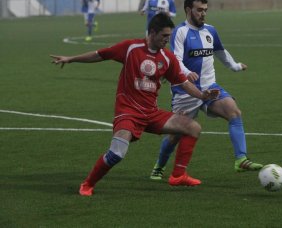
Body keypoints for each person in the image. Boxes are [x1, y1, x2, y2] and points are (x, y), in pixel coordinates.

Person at [50, 13, 219, 196]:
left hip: (151, 113)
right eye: (164, 36)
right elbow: (100, 55)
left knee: (193, 127)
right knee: (117, 153)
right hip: (128, 111)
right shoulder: (131, 47)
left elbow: (182, 83)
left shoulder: (167, 58)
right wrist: (71, 58)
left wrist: (202, 95)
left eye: (168, 36)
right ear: (152, 32)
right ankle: (88, 184)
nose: (166, 40)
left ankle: (178, 175)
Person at [149, 0, 263, 181]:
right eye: (199, 10)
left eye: (205, 10)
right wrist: (186, 73)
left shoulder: (211, 31)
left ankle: (241, 158)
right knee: (175, 136)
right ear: (188, 10)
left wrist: (234, 66)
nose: (203, 14)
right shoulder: (180, 32)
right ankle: (159, 166)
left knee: (234, 111)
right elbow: (176, 59)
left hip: (210, 87)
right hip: (185, 91)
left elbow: (220, 52)